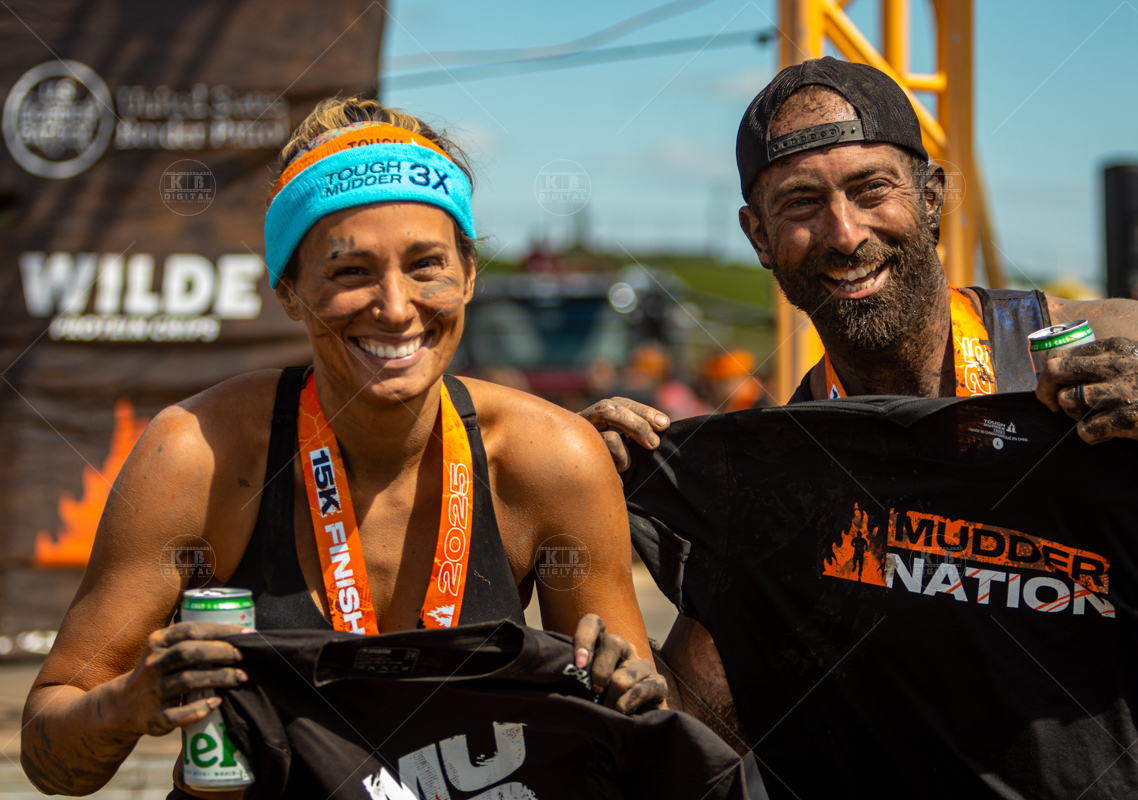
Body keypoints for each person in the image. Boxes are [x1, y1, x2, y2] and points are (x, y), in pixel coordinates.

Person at [21, 98, 664, 799]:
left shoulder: (554, 459)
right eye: (351, 272)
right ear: (289, 291)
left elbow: (642, 749)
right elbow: (50, 757)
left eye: (427, 265)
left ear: (470, 276)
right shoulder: (198, 457)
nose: (394, 307)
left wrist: (633, 700)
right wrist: (129, 703)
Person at [581, 57, 1138, 768]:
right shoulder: (788, 478)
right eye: (802, 205)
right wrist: (584, 494)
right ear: (758, 238)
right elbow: (692, 729)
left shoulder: (1094, 345)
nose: (844, 234)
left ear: (933, 196)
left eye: (871, 189)